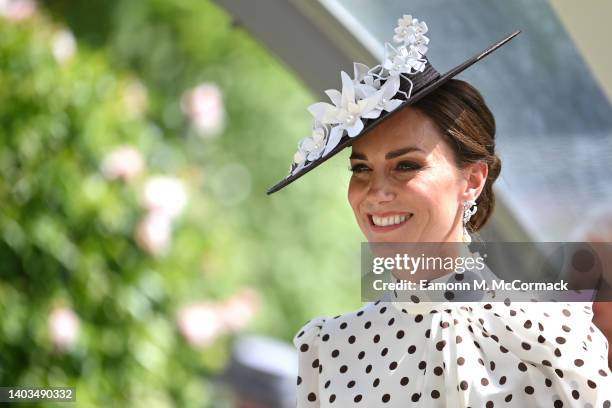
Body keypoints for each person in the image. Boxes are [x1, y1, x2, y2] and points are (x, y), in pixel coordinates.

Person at [267, 13, 612, 407]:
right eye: (360, 169)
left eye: (406, 165)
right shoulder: (328, 350)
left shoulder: (554, 336)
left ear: (473, 181)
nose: (376, 192)